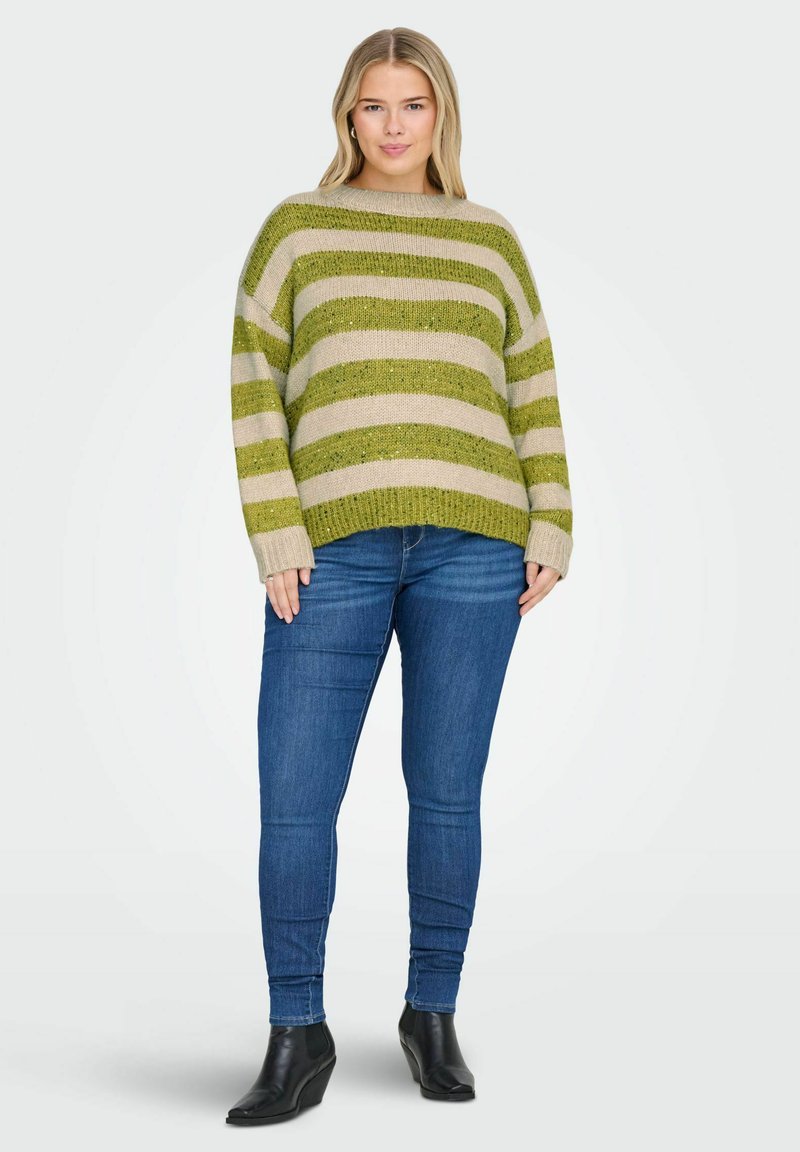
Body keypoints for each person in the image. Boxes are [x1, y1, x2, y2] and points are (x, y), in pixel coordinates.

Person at [225, 26, 574, 1125]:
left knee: (446, 792)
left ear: (440, 116)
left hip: (476, 545)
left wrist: (552, 520)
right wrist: (275, 529)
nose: (391, 125)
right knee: (295, 799)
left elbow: (530, 384)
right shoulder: (298, 229)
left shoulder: (488, 240)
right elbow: (253, 379)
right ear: (347, 114)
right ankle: (296, 1030)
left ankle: (432, 1012)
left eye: (412, 105)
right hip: (329, 549)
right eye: (372, 105)